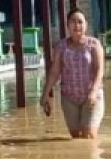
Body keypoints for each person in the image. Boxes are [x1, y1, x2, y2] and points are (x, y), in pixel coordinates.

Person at [42, 9, 105, 139]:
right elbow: (55, 71)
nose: (77, 25)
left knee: (89, 135)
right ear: (67, 25)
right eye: (73, 22)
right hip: (69, 98)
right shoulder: (61, 46)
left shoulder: (94, 45)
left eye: (80, 22)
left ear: (86, 25)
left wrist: (93, 92)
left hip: (91, 96)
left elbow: (100, 70)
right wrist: (45, 94)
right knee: (76, 136)